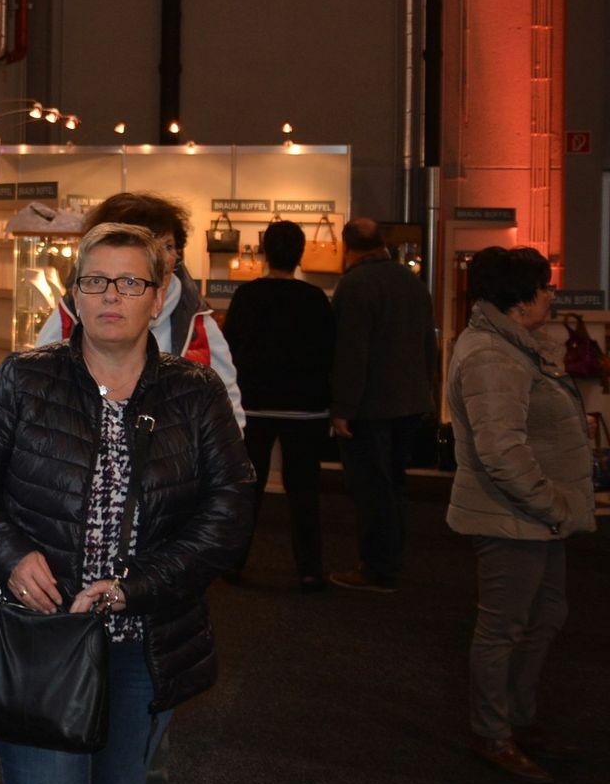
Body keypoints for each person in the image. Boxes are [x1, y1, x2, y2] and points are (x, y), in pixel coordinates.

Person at [0, 223, 253, 784]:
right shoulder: (25, 378)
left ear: (158, 296)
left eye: (130, 282)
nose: (111, 295)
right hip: (42, 637)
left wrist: (134, 587)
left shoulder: (195, 394)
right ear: (75, 294)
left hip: (146, 640)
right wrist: (10, 557)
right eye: (96, 281)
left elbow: (228, 512)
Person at [445, 246, 595, 783]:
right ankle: (493, 732)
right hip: (511, 516)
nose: (551, 296)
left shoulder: (511, 345)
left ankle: (517, 719)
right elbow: (501, 451)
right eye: (545, 287)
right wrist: (551, 503)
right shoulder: (492, 354)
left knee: (544, 616)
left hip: (531, 516)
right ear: (522, 298)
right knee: (504, 627)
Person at [36, 192, 244, 432]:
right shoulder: (69, 317)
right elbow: (36, 399)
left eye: (168, 246)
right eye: (147, 244)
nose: (162, 257)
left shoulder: (197, 325)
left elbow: (228, 417)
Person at [219, 219, 335, 590]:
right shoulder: (314, 298)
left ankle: (233, 562)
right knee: (304, 491)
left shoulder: (248, 295)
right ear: (300, 254)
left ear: (265, 252)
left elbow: (230, 347)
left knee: (247, 487)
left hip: (255, 403)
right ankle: (310, 569)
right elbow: (329, 352)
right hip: (306, 407)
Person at [328, 217, 438, 593]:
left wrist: (342, 408)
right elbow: (428, 343)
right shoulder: (411, 281)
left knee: (370, 488)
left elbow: (351, 352)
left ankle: (376, 568)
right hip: (409, 401)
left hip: (370, 405)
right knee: (395, 485)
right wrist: (426, 392)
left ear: (347, 247)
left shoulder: (355, 285)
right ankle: (391, 560)